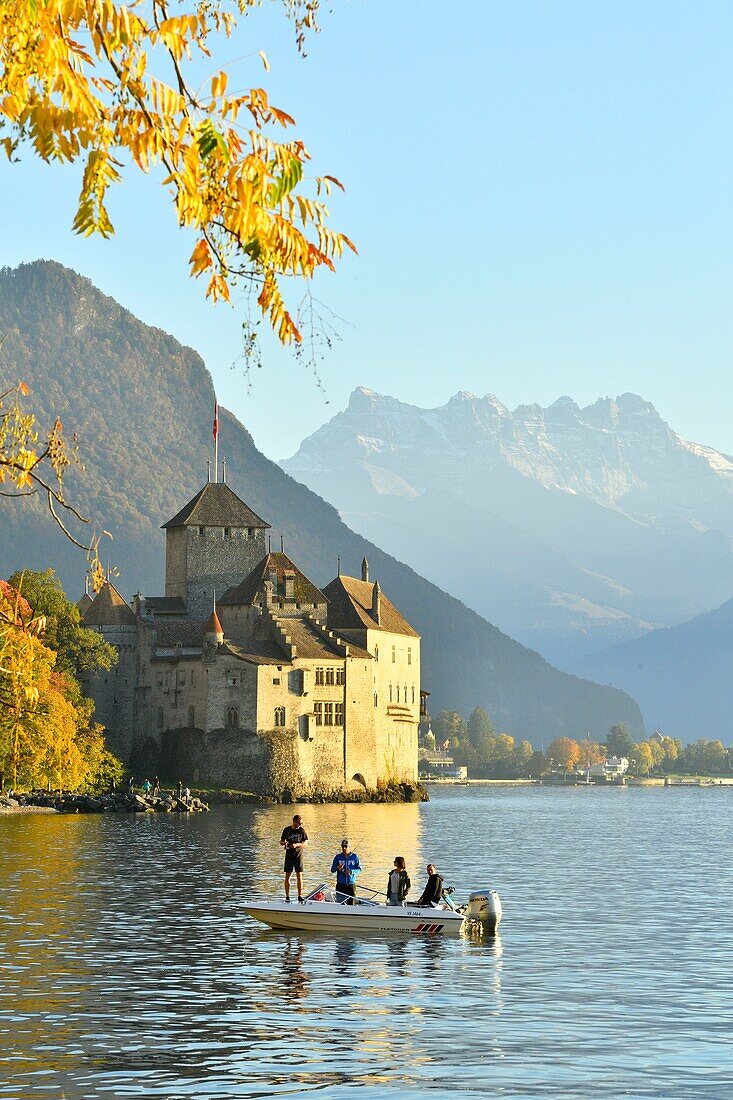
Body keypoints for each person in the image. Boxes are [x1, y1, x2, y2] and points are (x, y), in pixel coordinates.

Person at [280, 814, 308, 902]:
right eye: (298, 823)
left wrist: (297, 844)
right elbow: (281, 841)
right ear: (294, 821)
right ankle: (287, 896)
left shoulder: (301, 831)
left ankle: (300, 896)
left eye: (301, 823)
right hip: (289, 856)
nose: (299, 825)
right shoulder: (287, 830)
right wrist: (284, 843)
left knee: (299, 876)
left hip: (298, 856)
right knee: (287, 876)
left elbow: (306, 843)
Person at [330, 839, 361, 904]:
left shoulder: (354, 857)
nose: (344, 848)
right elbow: (332, 870)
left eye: (346, 846)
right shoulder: (338, 857)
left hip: (351, 884)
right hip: (340, 884)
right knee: (340, 904)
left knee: (351, 904)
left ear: (349, 847)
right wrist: (337, 867)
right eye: (342, 846)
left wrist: (351, 871)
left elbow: (359, 869)